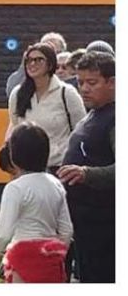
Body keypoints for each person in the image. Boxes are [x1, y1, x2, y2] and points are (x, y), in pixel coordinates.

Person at [0, 123, 73, 283]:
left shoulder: (15, 188)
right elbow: (67, 230)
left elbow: (2, 235)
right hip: (51, 261)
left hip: (21, 260)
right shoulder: (56, 184)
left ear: (14, 156)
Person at [58, 51, 115, 283]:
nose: (84, 89)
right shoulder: (91, 115)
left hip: (105, 227)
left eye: (92, 83)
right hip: (83, 226)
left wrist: (85, 173)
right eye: (80, 82)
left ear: (112, 82)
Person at [7, 43, 86, 173]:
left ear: (50, 64)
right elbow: (15, 127)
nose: (32, 64)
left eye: (38, 59)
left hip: (60, 167)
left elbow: (80, 131)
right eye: (29, 60)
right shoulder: (17, 94)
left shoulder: (67, 93)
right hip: (27, 169)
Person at [5, 31, 67, 98]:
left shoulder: (67, 74)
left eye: (53, 52)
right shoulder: (31, 74)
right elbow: (12, 94)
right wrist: (26, 63)